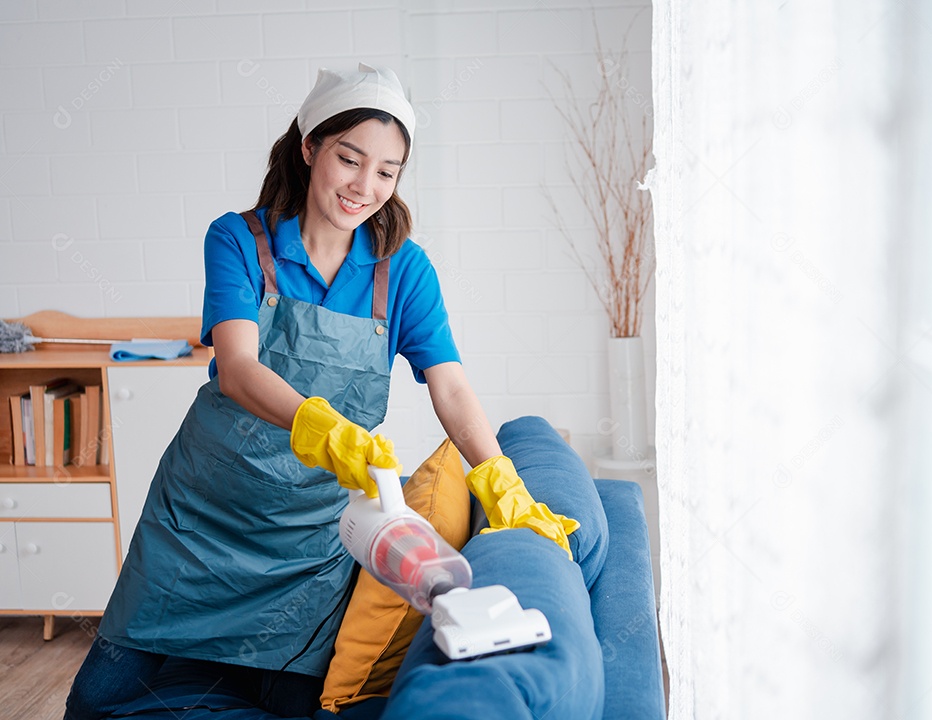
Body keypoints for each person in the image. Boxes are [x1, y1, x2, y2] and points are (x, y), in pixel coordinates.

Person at [64, 62, 578, 720]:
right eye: (349, 158)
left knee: (291, 704)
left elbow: (449, 387)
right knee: (99, 697)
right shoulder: (241, 241)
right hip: (198, 525)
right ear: (310, 148)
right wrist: (322, 426)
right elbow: (239, 365)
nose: (365, 186)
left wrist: (501, 482)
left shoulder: (403, 272)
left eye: (387, 171)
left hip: (312, 543)